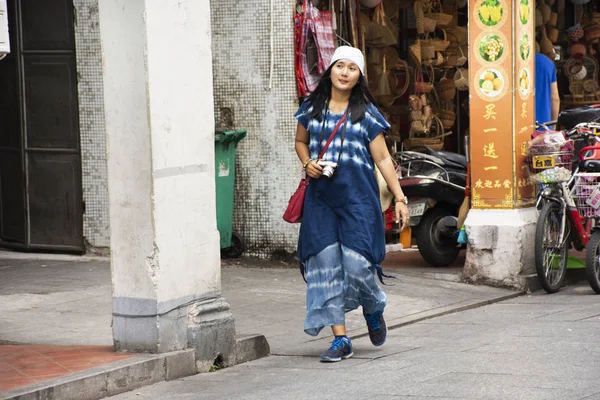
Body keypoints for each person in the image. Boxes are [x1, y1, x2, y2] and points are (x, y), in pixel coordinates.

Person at [293, 46, 409, 362]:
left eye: (352, 68)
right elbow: (300, 141)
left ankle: (373, 306)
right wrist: (307, 164)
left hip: (358, 200)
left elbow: (383, 158)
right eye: (340, 66)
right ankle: (341, 340)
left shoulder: (366, 114)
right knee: (325, 266)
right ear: (330, 70)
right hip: (321, 201)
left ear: (359, 77)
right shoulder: (311, 107)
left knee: (358, 265)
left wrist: (399, 197)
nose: (345, 72)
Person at [535, 52, 560, 127]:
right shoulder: (547, 63)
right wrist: (553, 125)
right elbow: (555, 98)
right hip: (543, 125)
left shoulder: (514, 60)